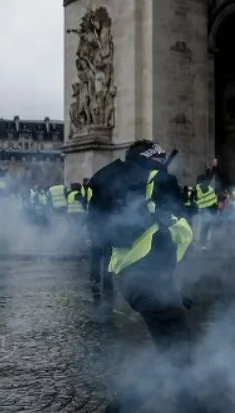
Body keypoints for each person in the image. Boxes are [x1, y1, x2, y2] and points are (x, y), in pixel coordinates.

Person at [91, 140, 198, 413]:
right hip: (149, 282)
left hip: (136, 279)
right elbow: (182, 219)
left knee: (176, 350)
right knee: (178, 355)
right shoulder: (158, 182)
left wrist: (172, 291)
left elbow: (149, 246)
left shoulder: (123, 183)